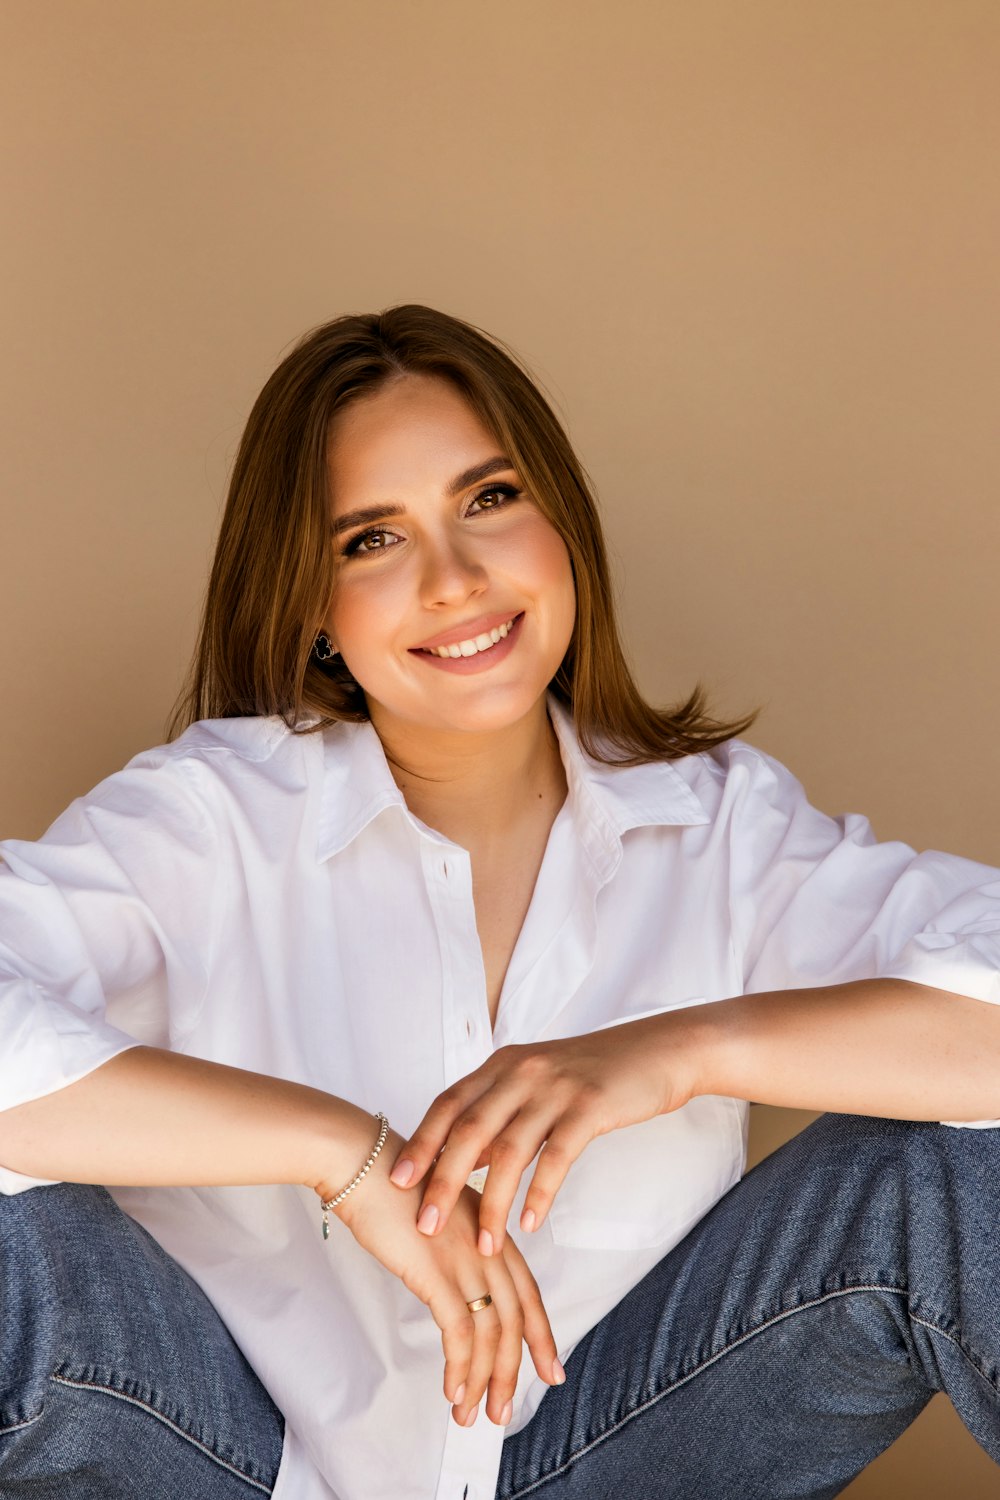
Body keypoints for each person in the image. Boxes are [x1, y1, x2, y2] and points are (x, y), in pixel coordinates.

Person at [1, 304, 999, 1500]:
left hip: (614, 1454)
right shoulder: (205, 818)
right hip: (230, 1466)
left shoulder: (718, 825)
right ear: (309, 602)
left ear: (560, 522)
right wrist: (345, 1155)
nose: (454, 580)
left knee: (950, 1172)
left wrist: (672, 1053)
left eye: (487, 500)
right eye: (372, 538)